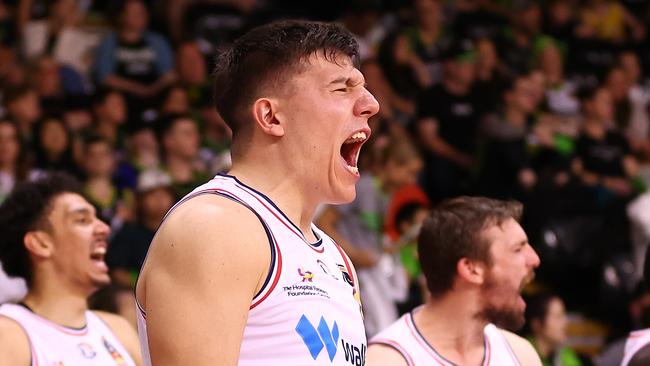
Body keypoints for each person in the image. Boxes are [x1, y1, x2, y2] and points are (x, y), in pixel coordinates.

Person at [135, 20, 379, 365]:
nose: (371, 104)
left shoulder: (336, 258)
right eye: (342, 89)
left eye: (363, 88)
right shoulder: (216, 227)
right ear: (271, 116)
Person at [367, 196, 542, 365]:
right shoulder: (387, 360)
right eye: (518, 249)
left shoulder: (520, 354)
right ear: (470, 269)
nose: (534, 259)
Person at [0, 172, 142, 365]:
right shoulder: (9, 334)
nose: (104, 229)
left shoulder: (118, 329)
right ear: (41, 244)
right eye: (82, 220)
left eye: (97, 219)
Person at [525, 292, 587, 366]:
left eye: (564, 315)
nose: (565, 322)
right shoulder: (523, 352)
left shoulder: (564, 352)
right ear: (537, 324)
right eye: (558, 317)